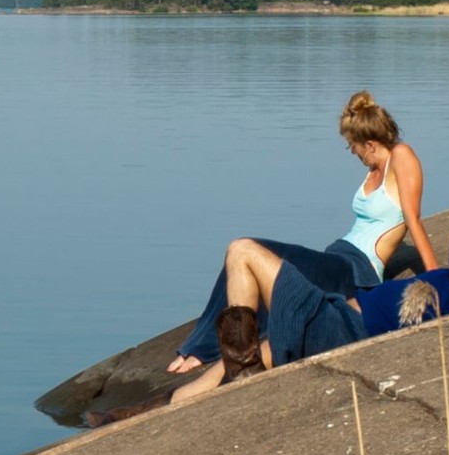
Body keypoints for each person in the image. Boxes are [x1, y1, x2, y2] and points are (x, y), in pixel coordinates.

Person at [168, 91, 433, 375]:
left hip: (354, 272)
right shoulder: (373, 172)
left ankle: (204, 350)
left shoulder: (401, 157)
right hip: (335, 259)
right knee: (247, 266)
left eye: (352, 146)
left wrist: (436, 279)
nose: (352, 152)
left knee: (242, 248)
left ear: (369, 144)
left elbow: (413, 219)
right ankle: (211, 349)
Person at [168, 222, 449, 405]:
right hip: (334, 319)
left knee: (243, 250)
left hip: (338, 328)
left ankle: (240, 377)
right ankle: (163, 410)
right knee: (212, 380)